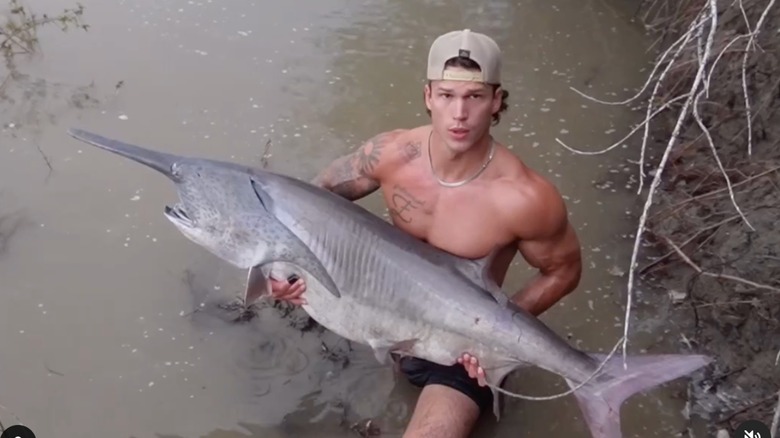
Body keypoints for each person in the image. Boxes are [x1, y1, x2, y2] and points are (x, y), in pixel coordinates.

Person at [268, 29, 582, 438]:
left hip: (463, 353)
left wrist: (498, 336)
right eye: (448, 95)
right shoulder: (392, 155)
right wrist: (286, 266)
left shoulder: (523, 197)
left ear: (497, 102)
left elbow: (564, 271)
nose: (459, 113)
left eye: (474, 97)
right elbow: (314, 200)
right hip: (386, 321)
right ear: (428, 96)